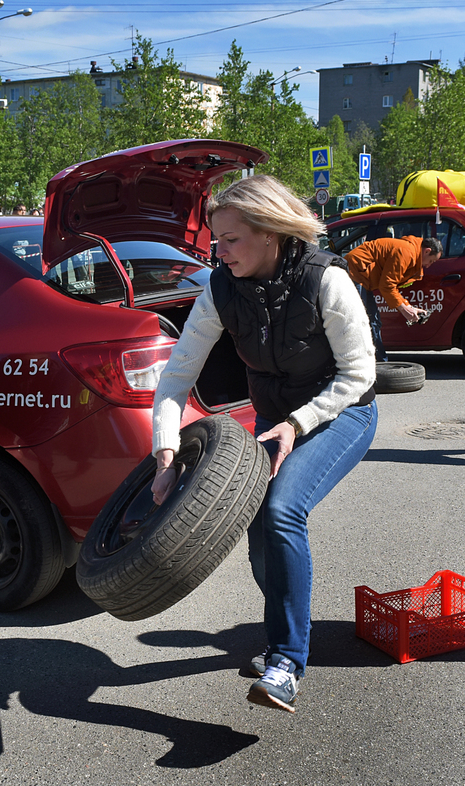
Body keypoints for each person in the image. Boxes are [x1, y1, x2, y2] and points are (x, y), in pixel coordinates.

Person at [149, 175, 377, 712]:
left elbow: (359, 373)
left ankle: (286, 662)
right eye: (215, 240)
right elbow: (176, 377)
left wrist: (299, 424)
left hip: (342, 411)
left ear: (271, 233)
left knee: (279, 510)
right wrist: (164, 450)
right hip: (276, 418)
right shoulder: (220, 288)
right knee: (255, 526)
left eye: (231, 239)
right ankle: (290, 621)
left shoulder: (326, 279)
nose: (218, 251)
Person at [344, 235, 443, 361]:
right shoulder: (406, 252)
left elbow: (391, 286)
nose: (428, 266)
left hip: (362, 277)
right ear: (427, 251)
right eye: (431, 261)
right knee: (363, 322)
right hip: (355, 273)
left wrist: (409, 307)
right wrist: (404, 310)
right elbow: (387, 286)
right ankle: (375, 363)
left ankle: (379, 363)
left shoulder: (411, 252)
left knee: (373, 322)